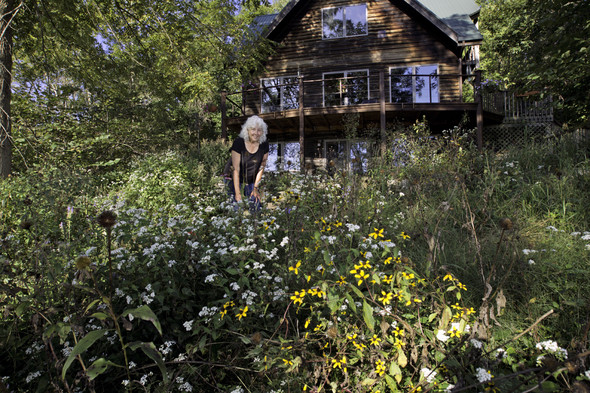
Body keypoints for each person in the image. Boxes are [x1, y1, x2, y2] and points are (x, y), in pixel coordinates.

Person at [227, 115, 269, 212]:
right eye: (253, 129)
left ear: (262, 132)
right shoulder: (239, 143)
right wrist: (238, 193)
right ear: (247, 130)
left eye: (259, 130)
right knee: (236, 211)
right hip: (235, 180)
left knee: (256, 209)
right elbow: (236, 170)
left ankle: (256, 226)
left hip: (251, 182)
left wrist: (255, 187)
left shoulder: (264, 144)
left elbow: (261, 167)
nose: (256, 133)